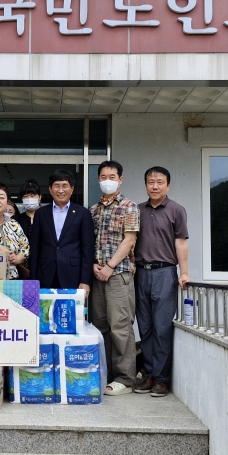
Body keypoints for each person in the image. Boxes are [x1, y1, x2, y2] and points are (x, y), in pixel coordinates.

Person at [133, 167, 190, 398]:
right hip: (140, 273)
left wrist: (184, 272)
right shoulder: (137, 210)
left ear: (168, 185)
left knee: (162, 327)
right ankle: (149, 374)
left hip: (165, 273)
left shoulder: (176, 210)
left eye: (159, 182)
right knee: (145, 327)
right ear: (145, 184)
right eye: (150, 182)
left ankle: (161, 379)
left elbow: (181, 243)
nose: (155, 186)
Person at [90, 160, 140, 396]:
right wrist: (94, 265)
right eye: (103, 177)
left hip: (119, 275)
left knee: (120, 326)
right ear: (98, 179)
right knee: (100, 326)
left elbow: (129, 240)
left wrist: (110, 266)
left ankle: (125, 378)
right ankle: (107, 374)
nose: (107, 181)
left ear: (120, 180)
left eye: (112, 177)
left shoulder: (129, 207)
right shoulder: (93, 210)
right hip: (97, 275)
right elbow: (89, 242)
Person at [30, 170, 94, 293]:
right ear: (50, 189)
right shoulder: (41, 213)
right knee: (45, 306)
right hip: (45, 274)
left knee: (71, 307)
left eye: (65, 186)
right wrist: (33, 281)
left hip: (73, 275)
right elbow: (35, 249)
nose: (60, 190)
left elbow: (88, 250)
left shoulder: (83, 213)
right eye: (56, 186)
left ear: (72, 189)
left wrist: (85, 281)